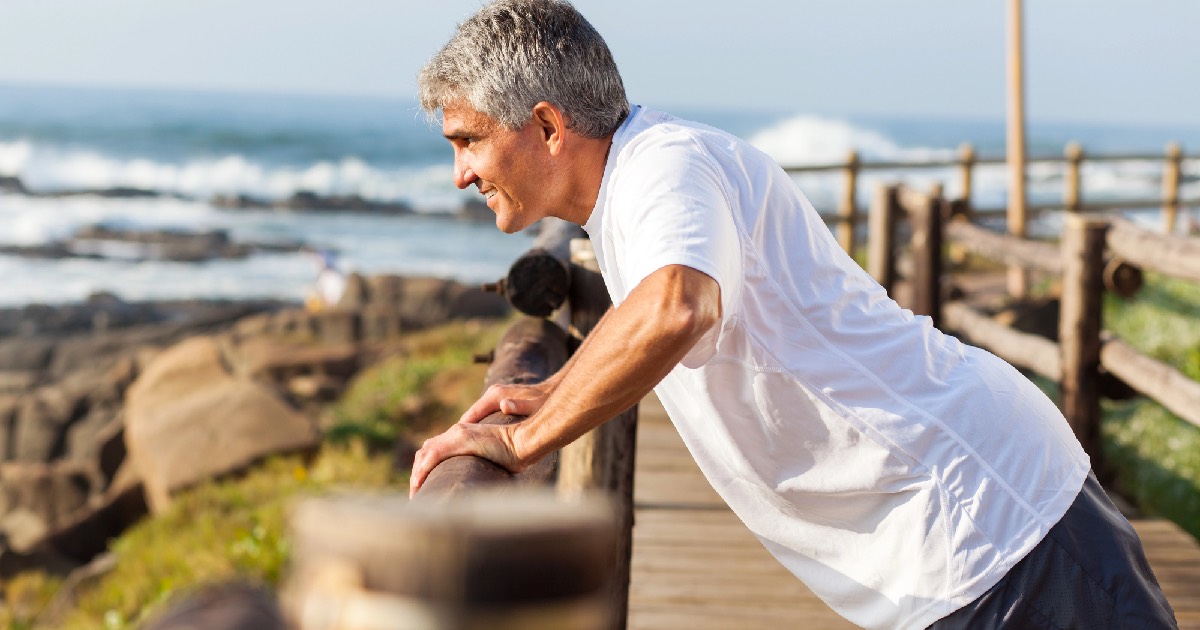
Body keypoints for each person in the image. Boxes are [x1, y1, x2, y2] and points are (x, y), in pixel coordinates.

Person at [409, 1, 1177, 627]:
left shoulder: (662, 167)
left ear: (548, 127)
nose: (459, 174)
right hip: (955, 543)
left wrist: (523, 440)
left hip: (991, 528)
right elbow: (661, 304)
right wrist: (555, 389)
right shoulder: (638, 184)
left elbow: (678, 306)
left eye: (468, 140)